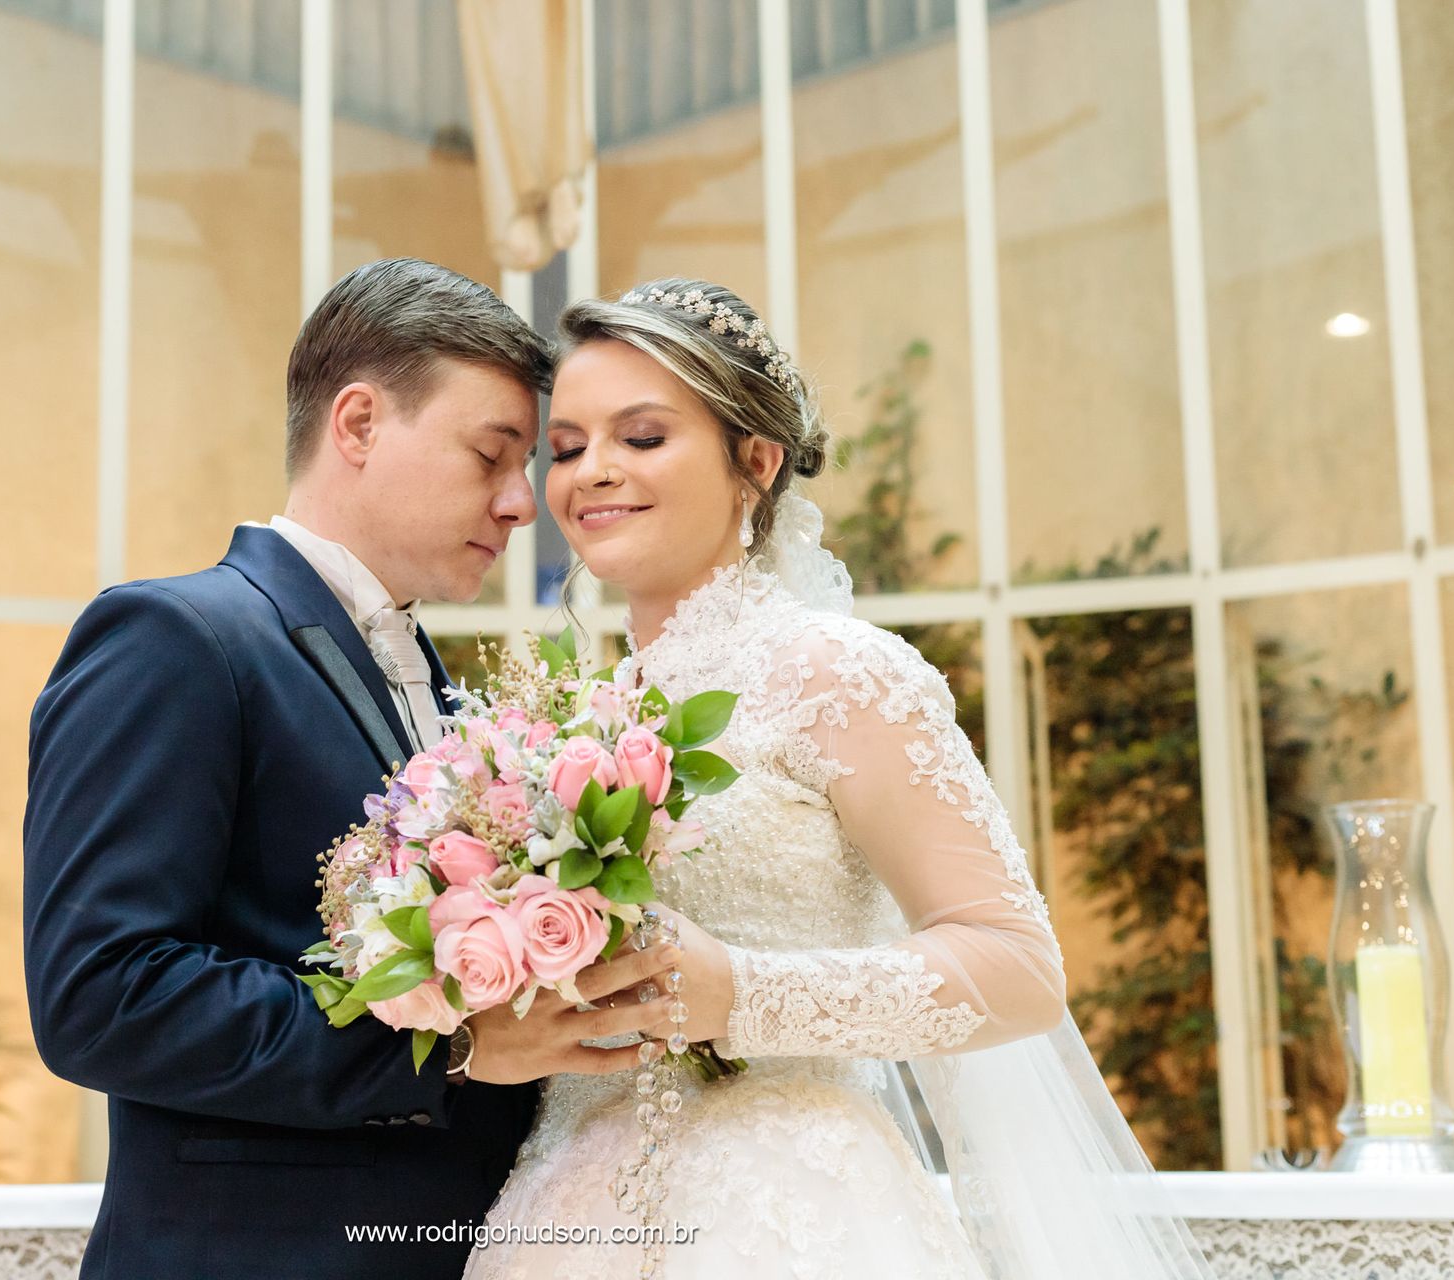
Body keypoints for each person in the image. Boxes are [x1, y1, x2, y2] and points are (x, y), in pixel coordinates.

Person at [466, 279, 1216, 1279]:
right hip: (567, 1207)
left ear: (756, 461)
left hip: (790, 1213)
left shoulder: (839, 672)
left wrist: (743, 992)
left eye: (641, 437)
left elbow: (1020, 969)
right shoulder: (576, 716)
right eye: (566, 448)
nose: (591, 471)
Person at [23, 258, 681, 1279]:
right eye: (491, 454)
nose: (520, 505)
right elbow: (100, 993)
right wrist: (453, 1049)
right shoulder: (177, 637)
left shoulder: (433, 677)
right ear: (362, 423)